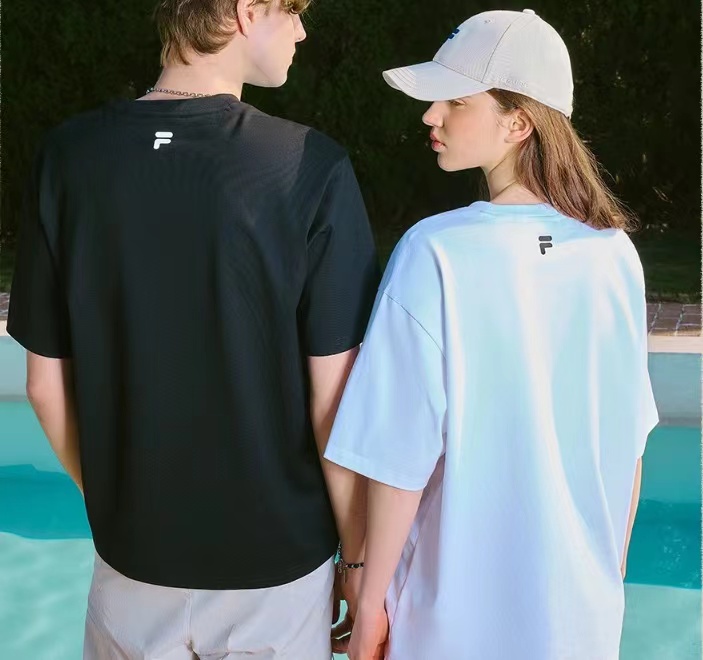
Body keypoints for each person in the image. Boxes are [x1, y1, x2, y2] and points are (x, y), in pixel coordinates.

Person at [8, 0, 378, 657]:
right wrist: (357, 558)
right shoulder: (308, 166)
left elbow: (43, 386)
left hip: (131, 564)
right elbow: (333, 402)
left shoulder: (68, 157)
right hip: (275, 574)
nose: (301, 31)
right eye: (292, 11)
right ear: (247, 11)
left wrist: (123, 503)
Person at [325, 9, 658, 660]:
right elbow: (628, 441)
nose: (431, 116)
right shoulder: (612, 254)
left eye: (455, 101)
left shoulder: (436, 251)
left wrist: (368, 601)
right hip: (580, 622)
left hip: (449, 623)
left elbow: (397, 457)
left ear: (518, 123)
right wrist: (605, 581)